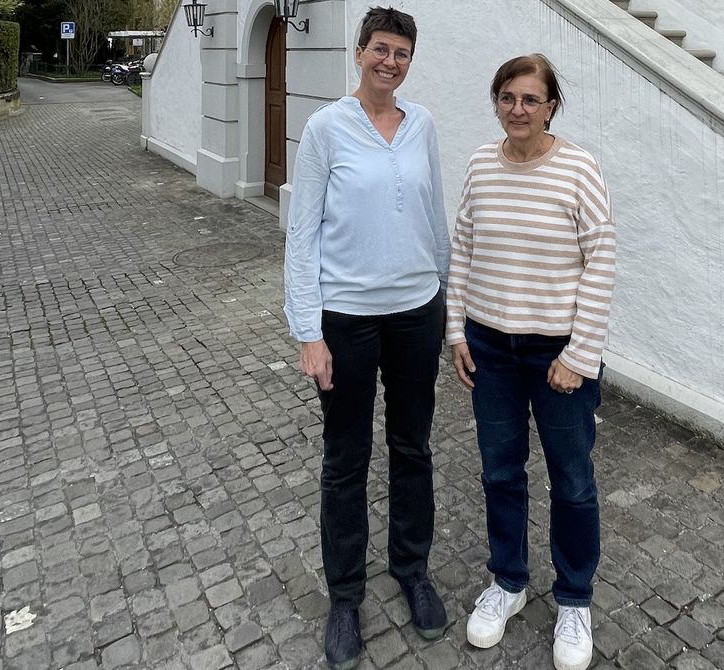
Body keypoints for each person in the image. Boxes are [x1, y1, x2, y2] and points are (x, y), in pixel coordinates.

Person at [282, 7, 451, 669]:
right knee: (346, 458)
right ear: (359, 53)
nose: (390, 62)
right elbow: (302, 234)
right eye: (381, 49)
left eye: (401, 53)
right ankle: (346, 597)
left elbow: (434, 215)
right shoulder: (326, 128)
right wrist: (308, 331)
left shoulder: (423, 124)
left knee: (412, 447)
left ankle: (412, 570)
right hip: (346, 319)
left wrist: (448, 305)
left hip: (416, 313)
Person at [445, 54, 616, 670]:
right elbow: (463, 246)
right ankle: (509, 581)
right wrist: (456, 330)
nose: (518, 109)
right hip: (490, 349)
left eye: (530, 99)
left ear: (551, 107)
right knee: (500, 472)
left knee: (571, 480)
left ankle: (574, 597)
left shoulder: (578, 168)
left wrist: (580, 354)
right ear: (496, 101)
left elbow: (602, 259)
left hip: (557, 356)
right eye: (507, 98)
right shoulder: (479, 164)